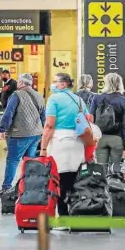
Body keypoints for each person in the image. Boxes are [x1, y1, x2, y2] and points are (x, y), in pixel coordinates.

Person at [39, 73, 88, 224]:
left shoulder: (54, 99)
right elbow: (88, 120)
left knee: (59, 181)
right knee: (74, 179)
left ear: (64, 84)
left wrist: (43, 148)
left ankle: (64, 215)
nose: (53, 85)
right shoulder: (79, 100)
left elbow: (49, 125)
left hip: (60, 142)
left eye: (56, 82)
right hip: (78, 143)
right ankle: (76, 211)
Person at [0, 73, 45, 198]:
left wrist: (2, 129)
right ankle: (29, 186)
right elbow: (43, 116)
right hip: (36, 134)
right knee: (29, 161)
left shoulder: (16, 95)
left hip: (19, 133)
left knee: (12, 160)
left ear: (21, 83)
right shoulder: (39, 96)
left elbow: (8, 113)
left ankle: (6, 187)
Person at [90, 73, 125, 165]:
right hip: (117, 139)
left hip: (100, 138)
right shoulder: (124, 101)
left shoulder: (97, 98)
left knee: (101, 170)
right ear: (120, 84)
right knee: (115, 170)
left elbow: (91, 120)